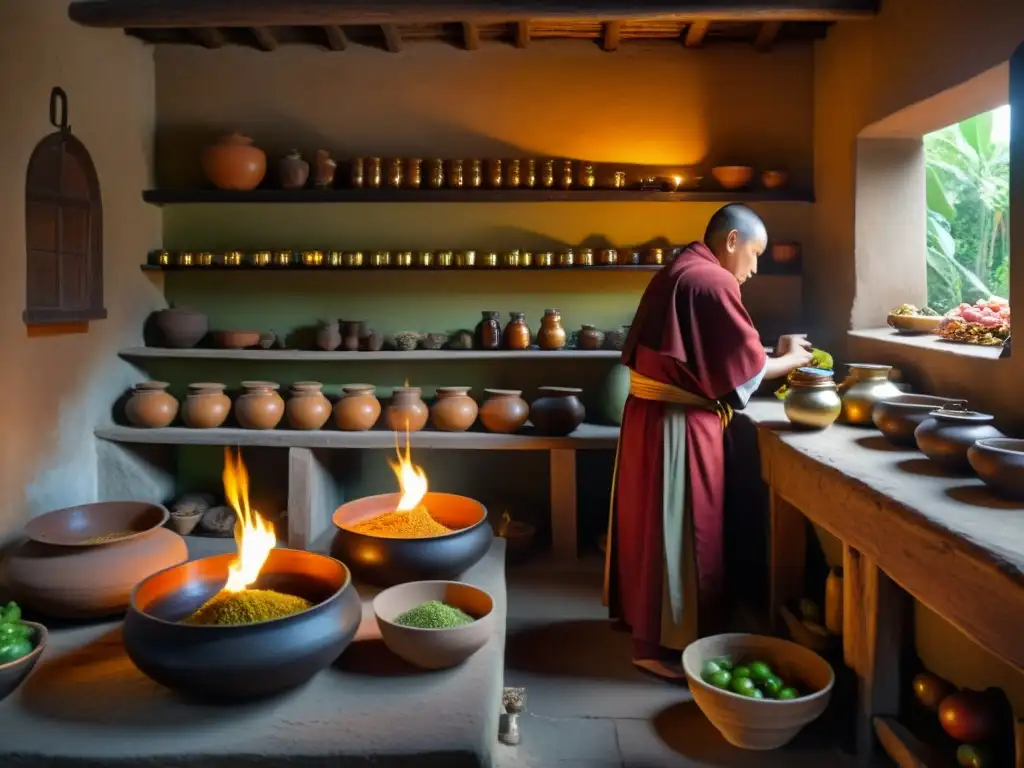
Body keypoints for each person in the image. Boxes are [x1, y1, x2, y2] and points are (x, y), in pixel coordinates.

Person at [602, 203, 813, 681]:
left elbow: (711, 354)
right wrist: (790, 359)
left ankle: (648, 626)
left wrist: (764, 356)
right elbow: (745, 378)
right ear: (733, 241)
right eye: (755, 254)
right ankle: (658, 647)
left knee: (653, 525)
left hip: (651, 417)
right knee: (678, 529)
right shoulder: (711, 280)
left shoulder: (682, 268)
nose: (755, 269)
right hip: (677, 423)